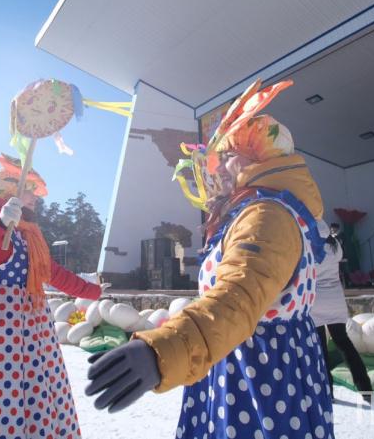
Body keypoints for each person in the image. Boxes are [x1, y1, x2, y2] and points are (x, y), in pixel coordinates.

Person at [87, 80, 334, 438]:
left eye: (228, 154)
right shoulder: (267, 210)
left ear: (255, 158)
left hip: (257, 376)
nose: (218, 166)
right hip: (244, 358)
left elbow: (237, 297)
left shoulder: (266, 215)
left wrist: (166, 350)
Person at [0, 155, 107, 439]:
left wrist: (95, 291)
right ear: (9, 191)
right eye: (29, 189)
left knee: (33, 390)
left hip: (32, 327)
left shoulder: (28, 233)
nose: (35, 197)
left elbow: (53, 274)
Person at [312, 223, 372, 400]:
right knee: (344, 343)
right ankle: (365, 388)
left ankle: (327, 391)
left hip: (316, 300)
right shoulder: (335, 245)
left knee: (320, 348)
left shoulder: (309, 247)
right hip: (335, 299)